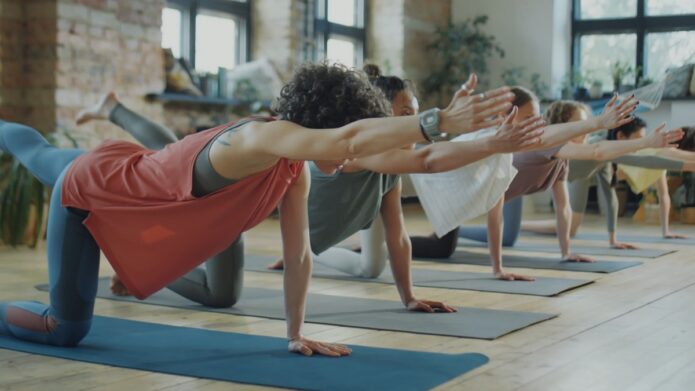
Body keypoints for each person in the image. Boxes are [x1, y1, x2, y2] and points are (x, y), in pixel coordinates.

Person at [0, 63, 518, 356]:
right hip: (89, 194)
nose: (353, 156)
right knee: (65, 331)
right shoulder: (258, 138)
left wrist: (295, 334)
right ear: (320, 130)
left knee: (39, 150)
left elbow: (300, 257)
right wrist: (437, 119)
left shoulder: (290, 170)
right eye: (344, 144)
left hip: (121, 170)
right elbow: (353, 136)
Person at [80, 64, 544, 313]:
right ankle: (112, 114)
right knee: (171, 162)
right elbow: (426, 155)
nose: (404, 121)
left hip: (235, 212)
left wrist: (406, 298)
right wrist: (466, 132)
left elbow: (401, 221)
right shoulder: (353, 145)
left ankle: (133, 264)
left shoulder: (346, 159)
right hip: (205, 182)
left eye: (410, 113)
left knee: (220, 291)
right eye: (401, 113)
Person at [410, 87, 681, 281]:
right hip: (442, 186)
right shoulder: (532, 143)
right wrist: (497, 269)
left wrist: (566, 252)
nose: (534, 124)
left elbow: (563, 207)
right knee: (444, 247)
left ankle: (387, 243)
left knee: (449, 245)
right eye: (528, 118)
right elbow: (595, 152)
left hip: (485, 193)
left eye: (536, 118)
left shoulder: (552, 154)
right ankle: (382, 244)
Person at [521, 110, 695, 248]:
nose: (643, 143)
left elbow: (609, 195)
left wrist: (613, 239)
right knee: (569, 225)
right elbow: (645, 161)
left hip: (577, 175)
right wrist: (687, 166)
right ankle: (518, 225)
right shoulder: (605, 150)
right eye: (640, 139)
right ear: (620, 137)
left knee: (571, 228)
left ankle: (522, 226)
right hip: (545, 171)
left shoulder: (606, 158)